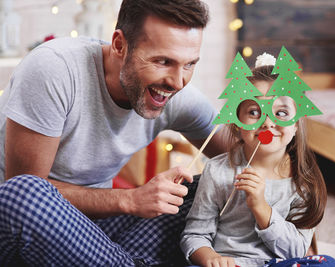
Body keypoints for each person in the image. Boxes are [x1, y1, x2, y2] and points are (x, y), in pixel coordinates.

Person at [0, 0, 226, 266]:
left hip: (100, 235)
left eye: (189, 64)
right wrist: (129, 199)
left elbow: (244, 154)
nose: (178, 82)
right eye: (163, 61)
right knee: (25, 193)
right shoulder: (54, 69)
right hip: (25, 232)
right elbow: (22, 192)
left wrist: (274, 123)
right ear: (119, 45)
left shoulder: (175, 94)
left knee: (209, 184)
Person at [180, 54, 335, 267]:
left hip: (278, 264)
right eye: (254, 112)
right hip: (230, 263)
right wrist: (210, 258)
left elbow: (297, 251)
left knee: (327, 264)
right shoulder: (217, 171)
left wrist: (261, 207)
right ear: (238, 123)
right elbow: (194, 235)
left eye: (281, 112)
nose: (267, 122)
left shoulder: (303, 181)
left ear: (295, 125)